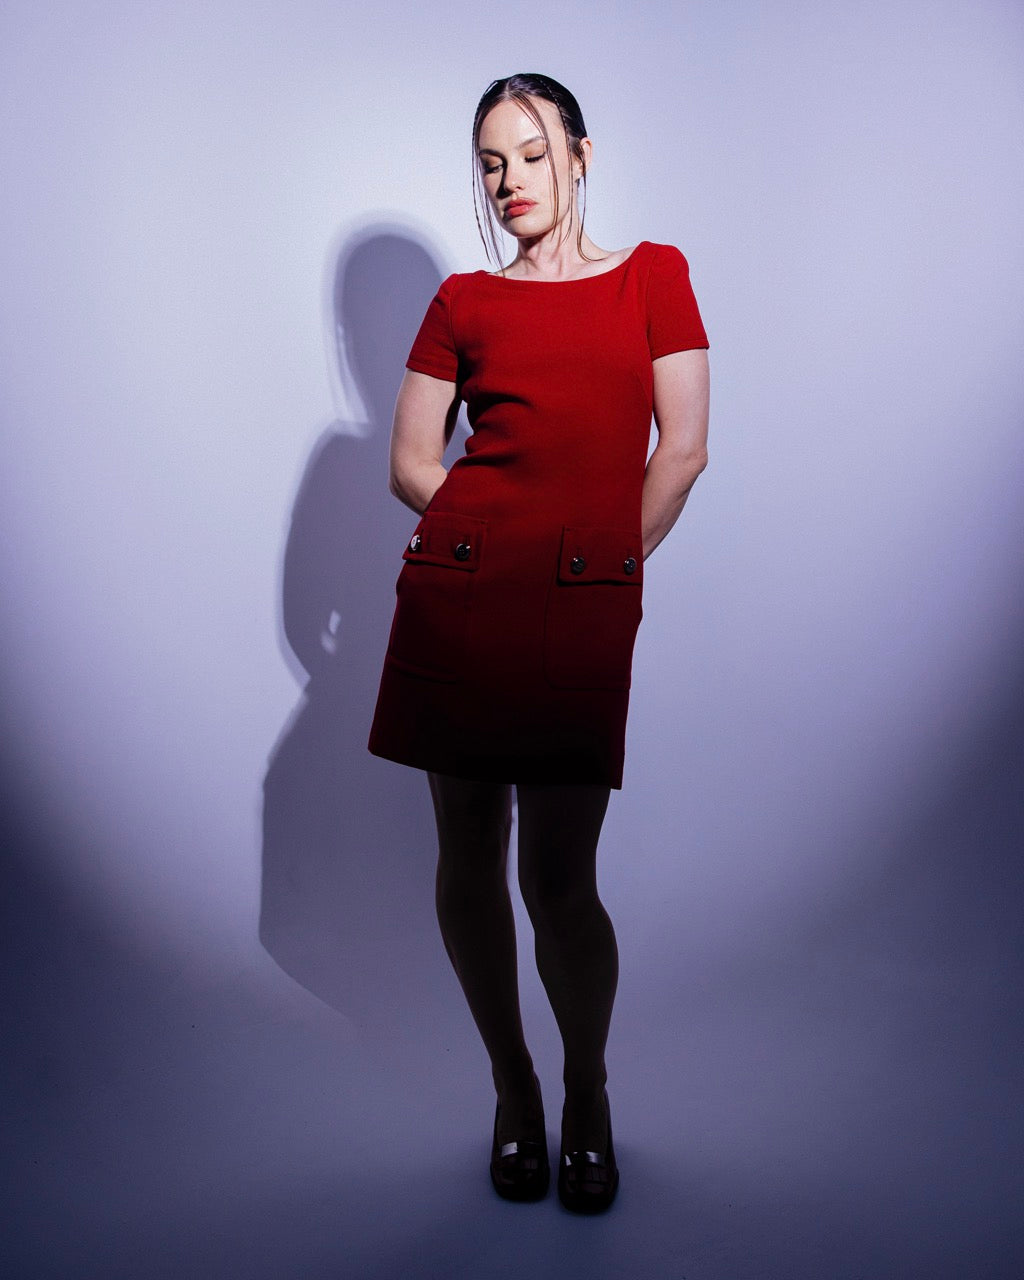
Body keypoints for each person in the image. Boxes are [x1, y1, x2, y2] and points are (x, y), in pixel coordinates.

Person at [368, 72, 710, 1213]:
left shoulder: (654, 275)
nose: (508, 180)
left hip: (580, 603)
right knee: (467, 856)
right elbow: (411, 461)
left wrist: (604, 566)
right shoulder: (464, 300)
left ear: (580, 153)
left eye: (528, 153)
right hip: (461, 601)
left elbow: (683, 450)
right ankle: (513, 1089)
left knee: (559, 878)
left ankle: (585, 1087)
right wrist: (495, 545)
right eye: (489, 163)